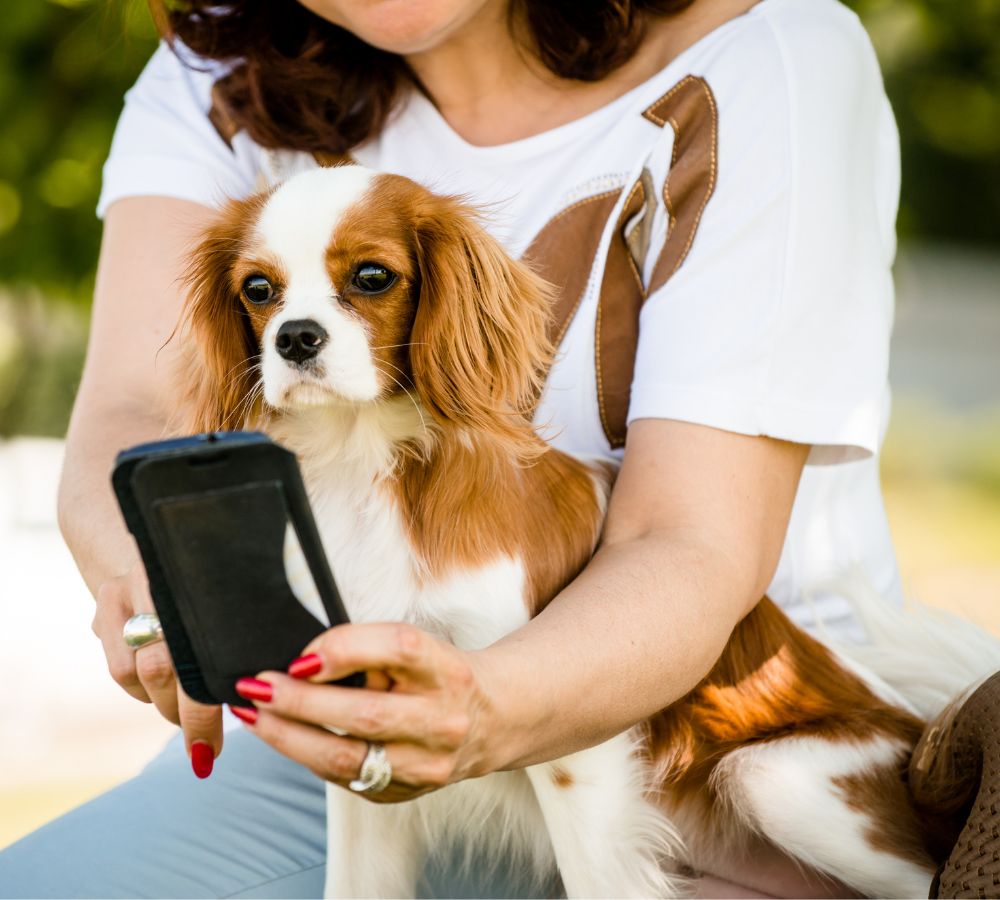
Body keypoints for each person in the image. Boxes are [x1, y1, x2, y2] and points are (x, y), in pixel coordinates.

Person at [0, 0, 906, 895]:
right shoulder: (218, 55)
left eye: (368, 281)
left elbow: (687, 542)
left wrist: (482, 709)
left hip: (695, 725)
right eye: (266, 294)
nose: (297, 325)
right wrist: (165, 573)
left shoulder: (775, 51)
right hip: (342, 754)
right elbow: (133, 404)